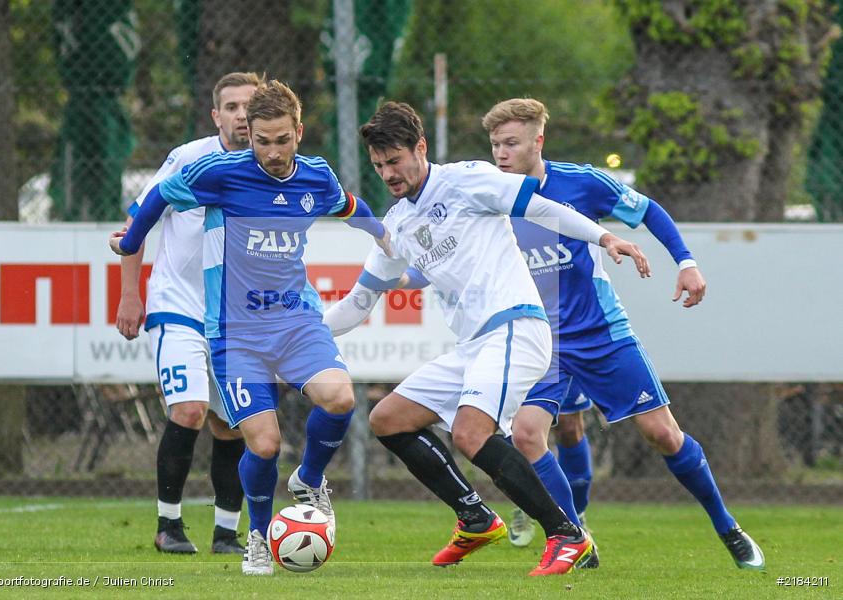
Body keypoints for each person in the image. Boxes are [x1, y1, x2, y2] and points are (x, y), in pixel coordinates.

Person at [410, 97, 765, 570]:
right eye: (495, 144)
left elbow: (648, 211)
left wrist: (686, 263)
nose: (501, 153)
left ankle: (729, 529)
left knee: (661, 433)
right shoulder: (485, 194)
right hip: (539, 341)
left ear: (539, 140)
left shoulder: (580, 182)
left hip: (600, 334)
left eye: (511, 143)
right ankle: (575, 538)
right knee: (530, 435)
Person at [322, 101, 651, 576]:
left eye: (394, 161)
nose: (388, 173)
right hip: (475, 346)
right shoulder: (395, 224)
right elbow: (358, 303)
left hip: (517, 326)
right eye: (378, 166)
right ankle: (475, 517)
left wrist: (604, 238)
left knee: (471, 433)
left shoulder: (466, 179)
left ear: (421, 147)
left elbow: (540, 206)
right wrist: (295, 333)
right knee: (388, 419)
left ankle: (567, 535)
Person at [109, 80, 390, 576]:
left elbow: (351, 208)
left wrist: (387, 237)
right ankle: (257, 537)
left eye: (283, 140)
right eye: (263, 141)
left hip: (295, 320)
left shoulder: (316, 177)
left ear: (298, 132)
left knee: (341, 399)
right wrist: (130, 241)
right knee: (262, 444)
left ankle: (308, 480)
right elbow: (155, 199)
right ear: (250, 136)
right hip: (234, 331)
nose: (273, 152)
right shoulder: (220, 173)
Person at [116, 71, 261, 555]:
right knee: (190, 409)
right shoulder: (189, 158)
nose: (243, 115)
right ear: (216, 115)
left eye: (251, 107)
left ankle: (226, 532)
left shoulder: (272, 165)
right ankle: (168, 526)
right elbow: (138, 221)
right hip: (177, 308)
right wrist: (130, 296)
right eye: (234, 107)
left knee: (232, 423)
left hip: (234, 319)